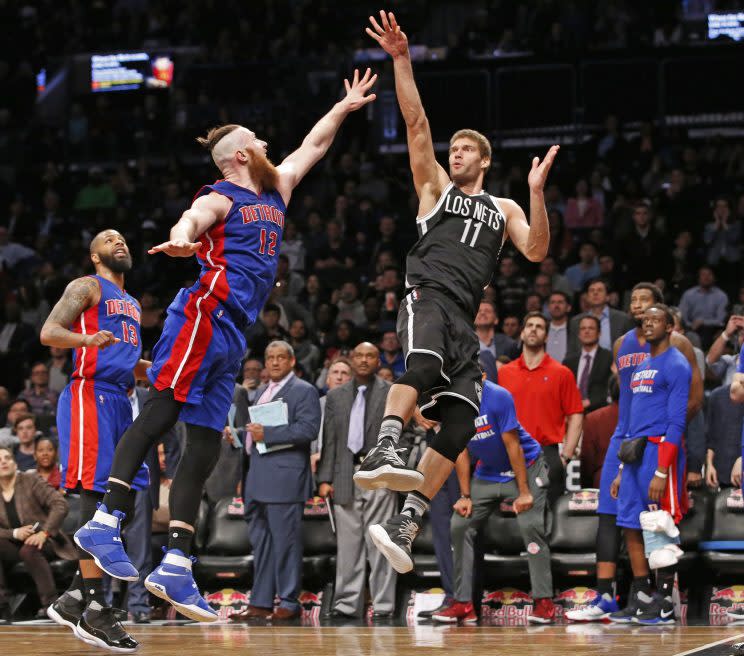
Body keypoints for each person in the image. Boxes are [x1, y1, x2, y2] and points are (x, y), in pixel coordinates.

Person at [74, 70, 377, 620]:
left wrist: (345, 105)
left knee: (208, 445)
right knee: (161, 412)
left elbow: (315, 143)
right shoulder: (221, 195)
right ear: (240, 157)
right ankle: (104, 522)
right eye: (256, 141)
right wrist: (185, 237)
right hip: (203, 316)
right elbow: (195, 218)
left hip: (235, 332)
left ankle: (176, 563)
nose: (266, 144)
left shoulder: (277, 186)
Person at [354, 10, 558, 574]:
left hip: (465, 321)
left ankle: (407, 518)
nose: (456, 154)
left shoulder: (505, 207)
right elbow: (417, 123)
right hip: (428, 295)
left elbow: (537, 251)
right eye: (456, 150)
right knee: (419, 366)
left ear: (486, 160)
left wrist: (538, 192)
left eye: (467, 150)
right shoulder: (435, 189)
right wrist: (401, 59)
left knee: (464, 422)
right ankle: (386, 443)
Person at [40, 229, 150, 652]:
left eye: (123, 238)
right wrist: (85, 339)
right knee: (95, 492)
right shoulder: (87, 286)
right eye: (109, 239)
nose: (119, 242)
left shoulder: (134, 304)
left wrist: (159, 371)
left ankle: (73, 598)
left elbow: (127, 361)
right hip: (90, 394)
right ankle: (96, 609)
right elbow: (50, 332)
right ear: (94, 254)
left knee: (124, 496)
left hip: (122, 399)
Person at [567, 283, 702, 623]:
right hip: (625, 443)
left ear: (663, 314)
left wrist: (663, 447)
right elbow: (629, 404)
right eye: (634, 300)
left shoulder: (677, 351)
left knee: (657, 521)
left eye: (647, 301)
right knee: (621, 518)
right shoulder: (625, 349)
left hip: (658, 443)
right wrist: (624, 452)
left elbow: (689, 405)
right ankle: (635, 594)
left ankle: (663, 597)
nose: (639, 306)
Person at [432, 380, 555, 624]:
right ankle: (464, 603)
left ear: (483, 372)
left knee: (530, 526)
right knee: (460, 524)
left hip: (527, 467)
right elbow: (460, 451)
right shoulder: (451, 402)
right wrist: (465, 496)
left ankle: (544, 602)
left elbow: (513, 446)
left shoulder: (499, 396)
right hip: (488, 472)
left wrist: (524, 492)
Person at [612, 304, 691, 625]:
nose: (648, 325)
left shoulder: (677, 364)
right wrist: (620, 468)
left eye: (656, 320)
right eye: (645, 320)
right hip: (633, 454)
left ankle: (664, 600)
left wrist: (662, 469)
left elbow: (676, 423)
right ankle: (642, 594)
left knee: (659, 523)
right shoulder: (643, 363)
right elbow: (632, 419)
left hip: (660, 452)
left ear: (670, 327)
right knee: (630, 522)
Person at [232, 341, 321, 621]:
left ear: (292, 361)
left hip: (285, 479)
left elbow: (308, 429)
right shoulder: (258, 392)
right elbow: (253, 433)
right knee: (262, 545)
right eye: (270, 357)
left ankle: (289, 602)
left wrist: (266, 435)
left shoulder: (304, 391)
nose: (274, 362)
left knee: (286, 544)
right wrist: (236, 434)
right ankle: (260, 602)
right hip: (256, 478)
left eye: (280, 358)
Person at [317, 342, 402, 619]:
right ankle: (346, 605)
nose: (364, 360)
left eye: (370, 356)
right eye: (359, 356)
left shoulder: (392, 393)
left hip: (380, 476)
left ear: (378, 361)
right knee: (348, 548)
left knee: (380, 544)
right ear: (351, 360)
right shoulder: (336, 396)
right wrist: (324, 478)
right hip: (344, 476)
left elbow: (404, 437)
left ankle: (384, 606)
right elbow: (329, 441)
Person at [498, 312, 584, 506]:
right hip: (509, 450)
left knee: (547, 514)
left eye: (539, 326)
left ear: (546, 336)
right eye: (529, 325)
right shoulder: (504, 373)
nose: (533, 329)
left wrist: (566, 456)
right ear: (522, 333)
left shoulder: (561, 373)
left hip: (547, 453)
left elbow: (576, 414)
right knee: (507, 519)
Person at [0, 446, 75, 620]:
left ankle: (51, 606)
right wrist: (14, 533)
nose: (3, 461)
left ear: (15, 463)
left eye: (7, 458)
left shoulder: (30, 479)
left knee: (29, 549)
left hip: (45, 542)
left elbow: (60, 504)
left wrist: (45, 532)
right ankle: (2, 607)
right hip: (14, 545)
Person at [567, 279, 633, 355]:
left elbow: (630, 348)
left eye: (600, 290)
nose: (595, 293)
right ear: (587, 297)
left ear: (607, 297)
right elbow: (571, 352)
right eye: (592, 291)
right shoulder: (576, 321)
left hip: (615, 364)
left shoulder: (623, 319)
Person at [564, 315, 613, 414]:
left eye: (591, 328)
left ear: (599, 333)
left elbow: (612, 390)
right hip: (572, 413)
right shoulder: (569, 361)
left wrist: (590, 402)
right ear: (579, 334)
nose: (586, 331)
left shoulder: (609, 358)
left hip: (599, 413)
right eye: (583, 328)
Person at [545, 291, 572, 363]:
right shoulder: (543, 329)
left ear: (568, 307)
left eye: (560, 302)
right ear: (548, 308)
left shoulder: (574, 329)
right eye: (552, 302)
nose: (556, 305)